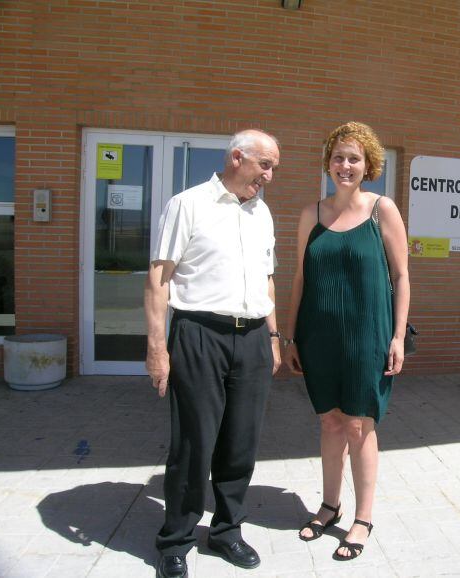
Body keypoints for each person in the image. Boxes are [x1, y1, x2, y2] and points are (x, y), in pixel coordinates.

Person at [145, 129, 282, 578]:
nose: (269, 176)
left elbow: (267, 279)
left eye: (273, 169)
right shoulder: (188, 204)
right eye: (265, 165)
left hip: (253, 339)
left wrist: (275, 338)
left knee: (240, 442)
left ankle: (227, 532)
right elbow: (158, 279)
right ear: (237, 157)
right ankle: (176, 539)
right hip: (199, 335)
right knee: (193, 443)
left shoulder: (262, 214)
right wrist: (157, 348)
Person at [284, 121, 410, 561]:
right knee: (329, 421)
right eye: (338, 157)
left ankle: (363, 517)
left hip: (367, 336)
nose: (345, 165)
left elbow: (401, 275)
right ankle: (329, 505)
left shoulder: (382, 210)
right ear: (328, 163)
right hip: (319, 337)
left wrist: (397, 335)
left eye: (354, 158)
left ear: (368, 163)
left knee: (359, 425)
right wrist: (291, 335)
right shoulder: (310, 214)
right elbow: (301, 277)